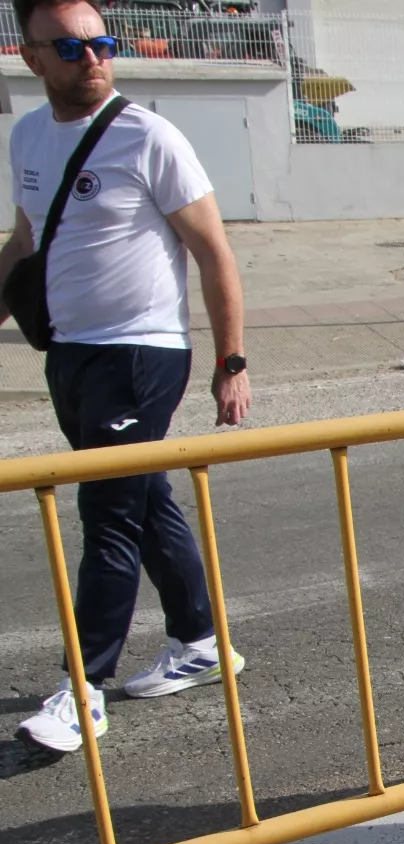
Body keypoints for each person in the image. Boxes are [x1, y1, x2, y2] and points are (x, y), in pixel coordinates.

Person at [3, 0, 250, 755]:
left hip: (142, 353)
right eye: (71, 48)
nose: (93, 58)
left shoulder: (149, 136)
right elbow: (24, 241)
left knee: (105, 516)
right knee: (143, 501)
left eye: (101, 43)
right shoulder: (29, 136)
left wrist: (229, 363)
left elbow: (214, 252)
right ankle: (203, 642)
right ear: (30, 57)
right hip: (70, 353)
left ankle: (85, 690)